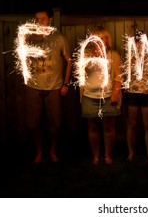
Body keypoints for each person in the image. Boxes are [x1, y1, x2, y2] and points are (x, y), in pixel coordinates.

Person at [25, 9, 72, 163]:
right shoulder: (30, 38)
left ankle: (52, 151)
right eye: (37, 19)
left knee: (56, 123)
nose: (39, 22)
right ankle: (38, 152)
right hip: (34, 87)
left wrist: (65, 83)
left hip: (54, 87)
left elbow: (69, 61)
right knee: (33, 123)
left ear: (50, 20)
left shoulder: (59, 38)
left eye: (43, 19)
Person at [80, 27, 122, 165]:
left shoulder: (113, 55)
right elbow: (79, 75)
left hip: (108, 96)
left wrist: (116, 93)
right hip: (89, 96)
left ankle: (108, 155)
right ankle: (96, 156)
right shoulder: (85, 54)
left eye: (102, 38)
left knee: (108, 127)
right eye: (96, 38)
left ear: (107, 40)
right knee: (92, 127)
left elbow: (119, 77)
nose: (100, 40)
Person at [123, 30, 148, 163]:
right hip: (132, 93)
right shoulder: (129, 56)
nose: (139, 44)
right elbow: (124, 75)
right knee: (131, 124)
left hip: (147, 94)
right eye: (137, 42)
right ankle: (131, 153)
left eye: (142, 42)